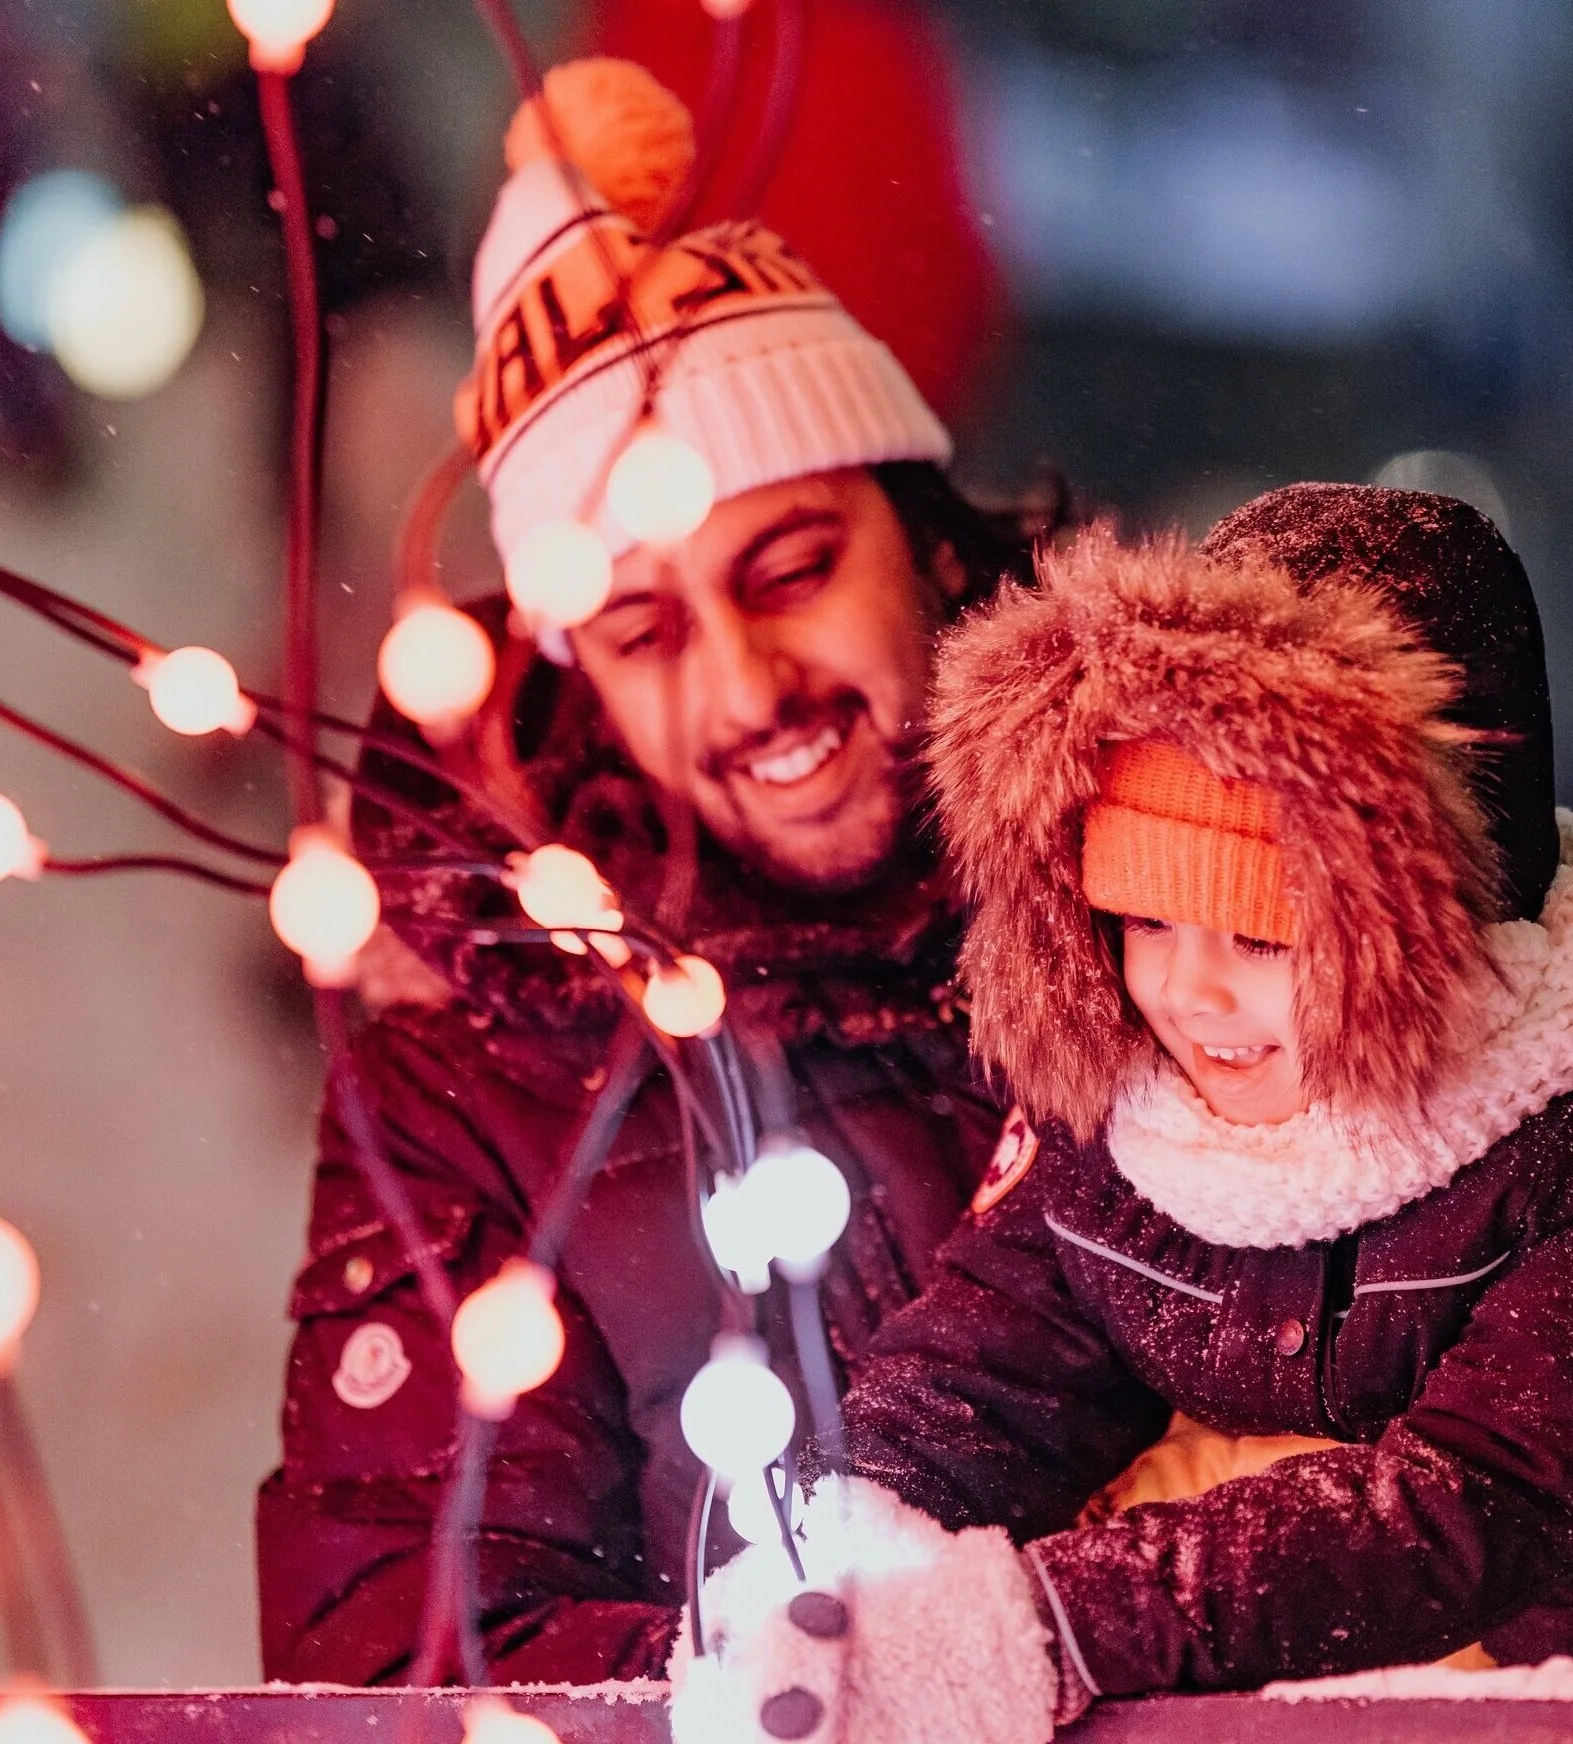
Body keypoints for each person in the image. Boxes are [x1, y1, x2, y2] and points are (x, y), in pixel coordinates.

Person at [672, 485, 1573, 1741]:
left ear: (1422, 928)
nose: (1190, 990)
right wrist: (833, 1556)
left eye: (1262, 934)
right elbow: (984, 1368)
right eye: (1145, 920)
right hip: (1332, 1608)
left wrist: (1046, 1623)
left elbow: (1476, 1504)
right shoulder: (1135, 1109)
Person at [255, 59, 1047, 1685]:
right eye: (646, 630)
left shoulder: (1189, 871)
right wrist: (862, 1677)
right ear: (578, 677)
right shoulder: (486, 1070)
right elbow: (411, 1662)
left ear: (932, 538)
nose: (751, 690)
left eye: (797, 567)